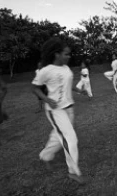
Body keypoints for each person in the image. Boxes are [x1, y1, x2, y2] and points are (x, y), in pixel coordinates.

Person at [32, 38, 84, 184]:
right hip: (56, 111)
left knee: (57, 136)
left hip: (69, 108)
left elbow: (67, 84)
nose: (69, 56)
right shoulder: (46, 70)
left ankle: (45, 155)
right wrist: (46, 99)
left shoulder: (66, 68)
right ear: (56, 54)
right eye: (66, 54)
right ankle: (73, 172)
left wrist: (79, 90)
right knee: (70, 138)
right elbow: (34, 88)